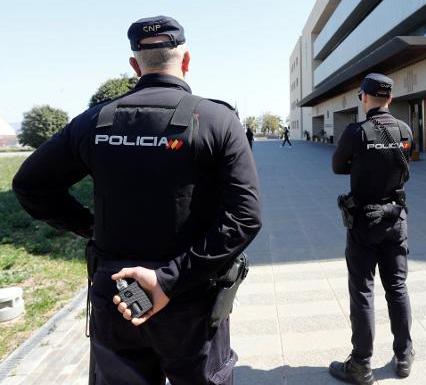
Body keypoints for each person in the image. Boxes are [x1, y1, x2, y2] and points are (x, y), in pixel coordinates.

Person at [12, 15, 261, 385]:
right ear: (186, 60)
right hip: (190, 296)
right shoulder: (217, 120)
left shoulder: (94, 122)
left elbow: (30, 184)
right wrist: (169, 280)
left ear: (134, 65)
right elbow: (245, 216)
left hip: (120, 292)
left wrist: (89, 226)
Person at [330, 73, 414, 384]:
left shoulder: (356, 132)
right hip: (396, 219)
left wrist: (362, 163)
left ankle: (361, 364)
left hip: (365, 222)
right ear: (389, 99)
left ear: (364, 97)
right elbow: (405, 162)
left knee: (363, 290)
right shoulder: (404, 130)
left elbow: (338, 166)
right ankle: (404, 355)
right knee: (397, 287)